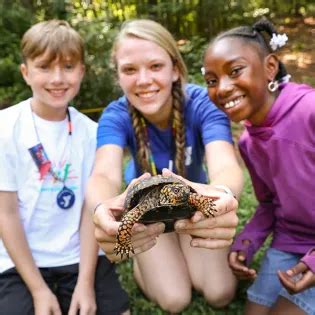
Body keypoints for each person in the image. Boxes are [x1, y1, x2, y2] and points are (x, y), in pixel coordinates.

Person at [87, 19, 243, 313]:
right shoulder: (115, 115)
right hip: (147, 217)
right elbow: (104, 174)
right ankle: (145, 265)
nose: (143, 80)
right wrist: (102, 209)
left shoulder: (202, 104)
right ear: (118, 76)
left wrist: (222, 194)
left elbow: (225, 165)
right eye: (130, 70)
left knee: (220, 293)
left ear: (176, 70)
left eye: (155, 66)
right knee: (175, 300)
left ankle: (179, 250)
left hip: (193, 209)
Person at [0, 20, 129, 315]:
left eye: (68, 67)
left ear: (81, 71)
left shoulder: (93, 132)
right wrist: (37, 289)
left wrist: (85, 283)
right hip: (20, 263)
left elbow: (89, 208)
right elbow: (5, 213)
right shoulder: (5, 128)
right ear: (26, 72)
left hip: (79, 258)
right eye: (45, 66)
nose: (57, 78)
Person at [202, 17, 315, 315]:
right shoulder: (249, 143)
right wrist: (247, 242)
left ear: (270, 67)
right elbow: (268, 203)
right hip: (290, 241)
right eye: (211, 80)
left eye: (235, 71)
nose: (222, 88)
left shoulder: (309, 111)